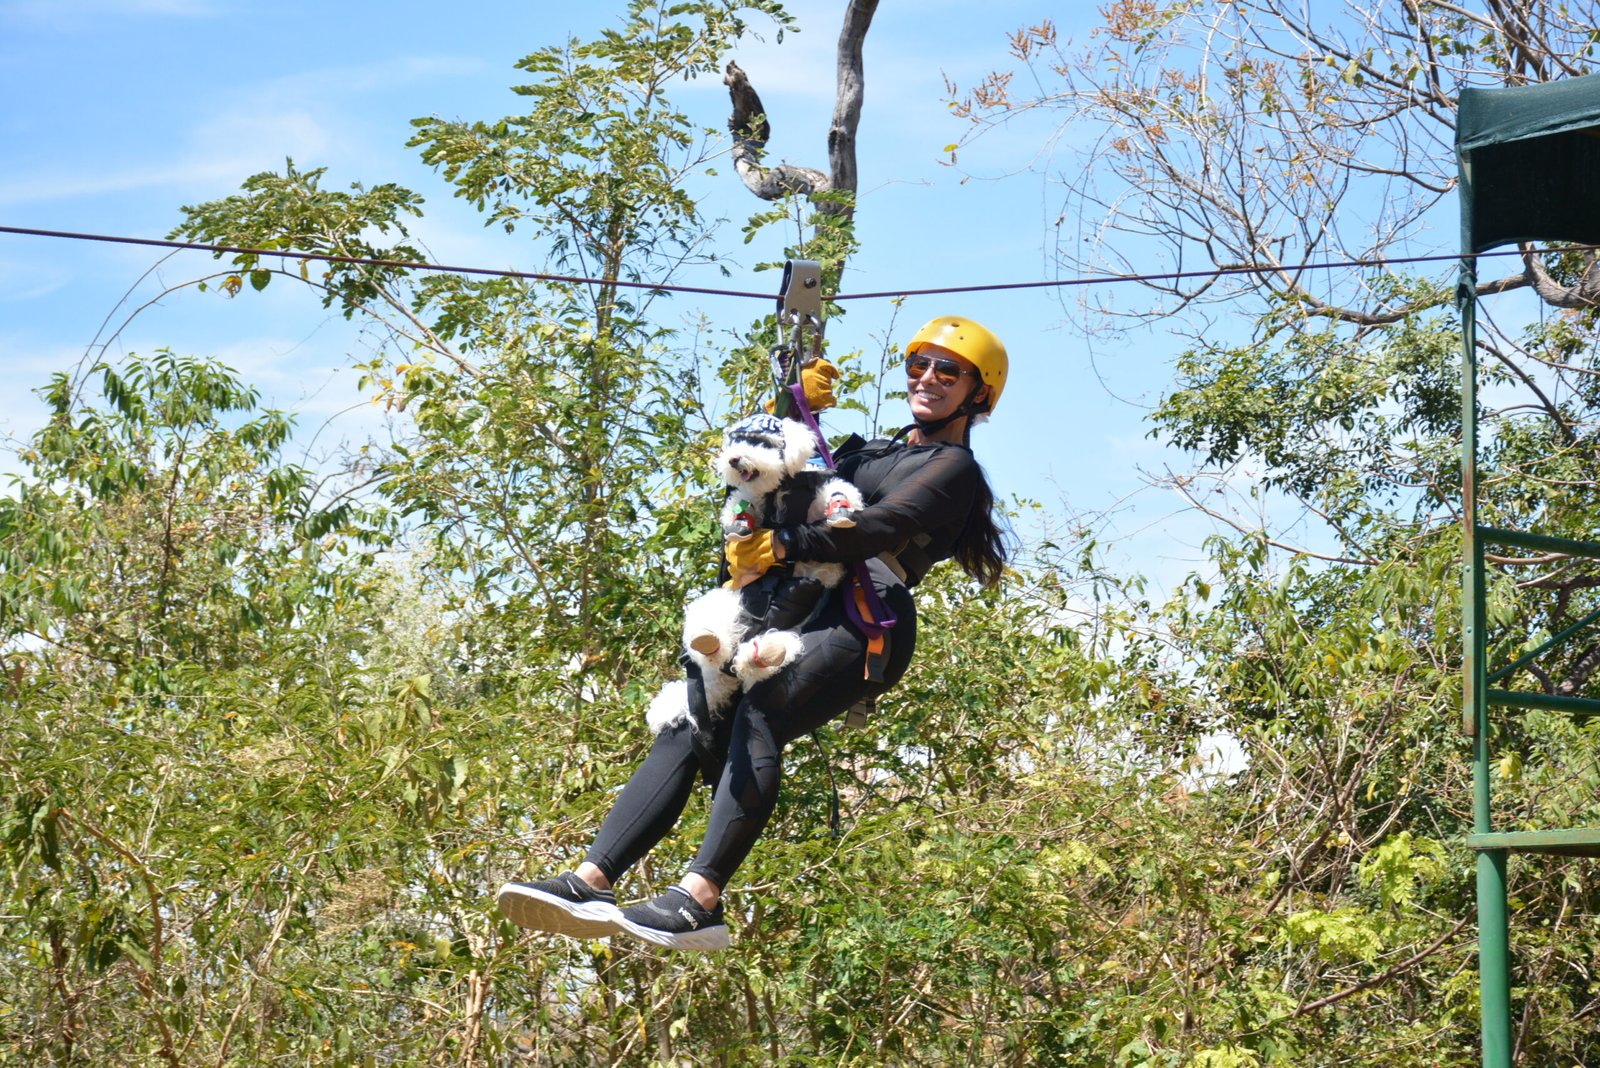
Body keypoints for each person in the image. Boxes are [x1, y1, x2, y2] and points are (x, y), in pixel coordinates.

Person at [496, 315, 1011, 952]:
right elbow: (779, 484)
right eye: (918, 365)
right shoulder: (869, 451)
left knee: (761, 707)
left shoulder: (953, 467)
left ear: (978, 391)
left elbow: (878, 527)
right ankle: (591, 879)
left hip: (865, 614)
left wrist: (781, 545)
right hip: (798, 602)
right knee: (690, 716)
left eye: (948, 370)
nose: (927, 378)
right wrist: (787, 413)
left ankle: (699, 900)